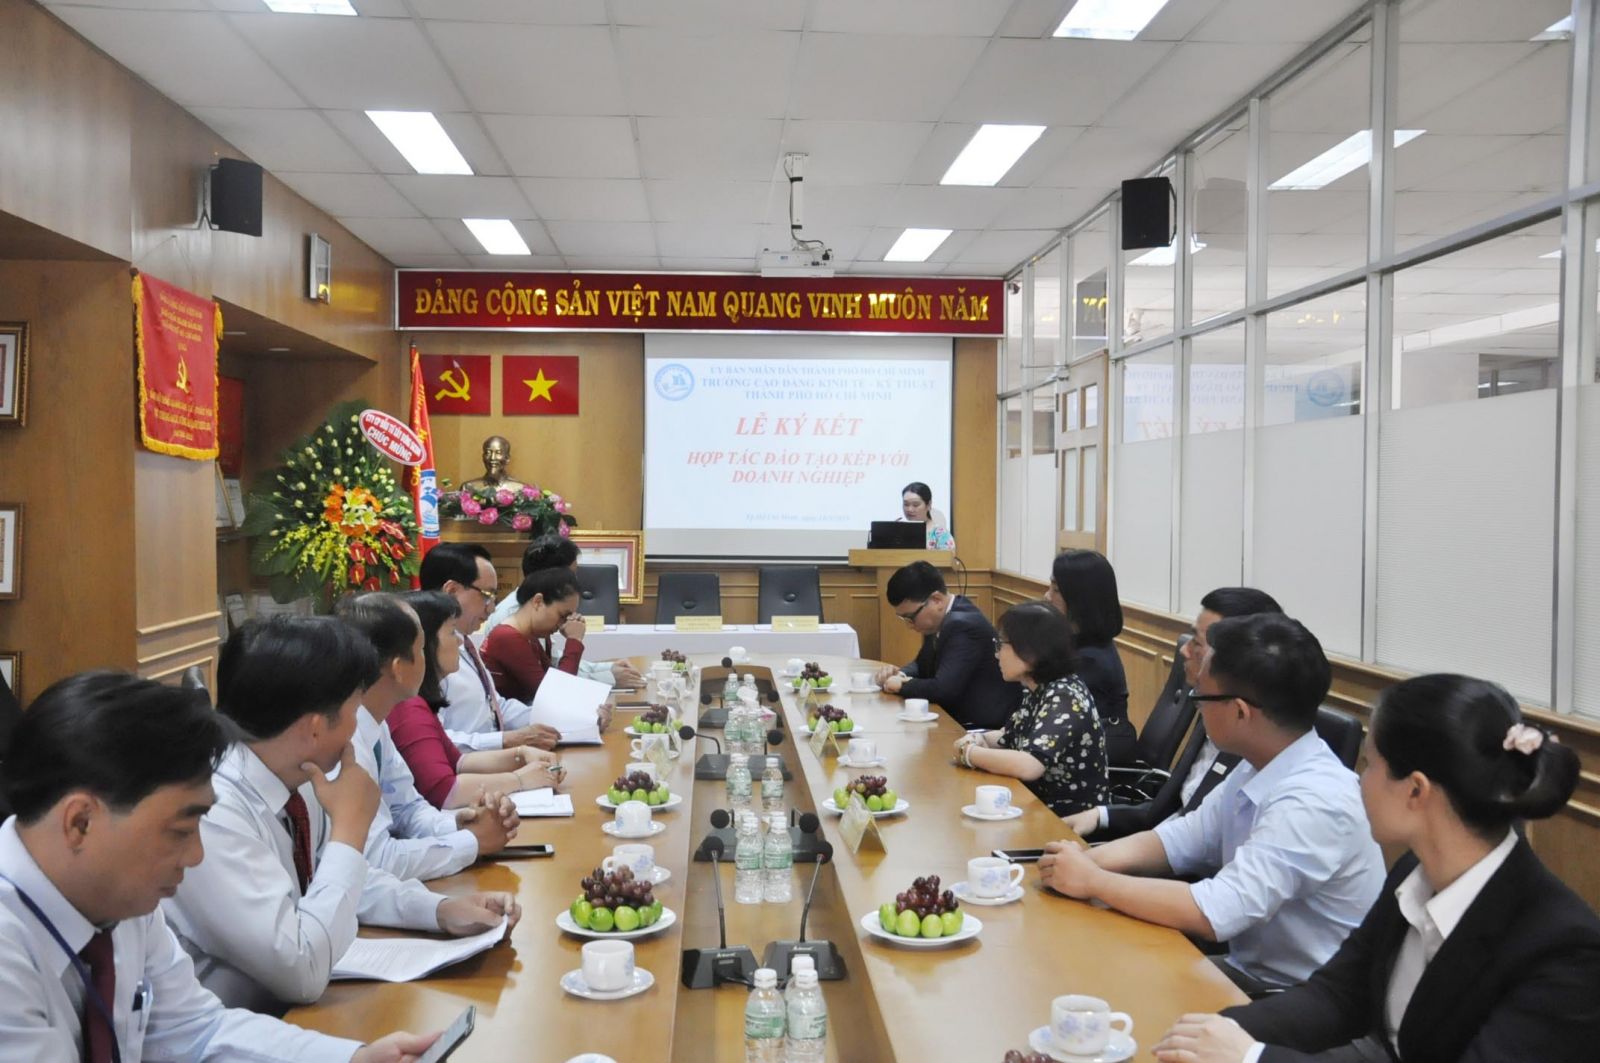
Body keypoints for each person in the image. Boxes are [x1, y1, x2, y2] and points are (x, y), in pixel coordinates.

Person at [1156, 674, 1600, 1063]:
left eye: (1370, 765)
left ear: (1416, 790)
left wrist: (1252, 1057)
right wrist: (1215, 1030)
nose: (1359, 782)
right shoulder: (1416, 870)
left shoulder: (1564, 948)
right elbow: (1338, 995)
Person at [0, 670, 441, 1061]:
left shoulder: (120, 905)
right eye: (178, 830)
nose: (195, 856)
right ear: (80, 822)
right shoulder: (9, 947)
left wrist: (353, 1058)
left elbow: (198, 1030)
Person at [163, 616, 520, 1013]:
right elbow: (300, 971)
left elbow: (341, 882)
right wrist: (350, 830)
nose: (357, 728)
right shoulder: (215, 814)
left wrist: (437, 910)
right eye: (354, 710)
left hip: (292, 1017)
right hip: (240, 1029)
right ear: (315, 728)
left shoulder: (298, 777)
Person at [1038, 613, 1384, 993]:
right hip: (1248, 970)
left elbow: (1214, 911)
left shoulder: (1315, 800)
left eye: (1200, 696)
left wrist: (1095, 881)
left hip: (1298, 997)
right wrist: (1080, 862)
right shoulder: (1259, 765)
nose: (1196, 710)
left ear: (1240, 711)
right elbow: (1180, 839)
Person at [1065, 588, 1283, 843]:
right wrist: (1099, 816)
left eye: (1198, 644)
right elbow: (1170, 813)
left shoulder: (1252, 745)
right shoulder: (1210, 710)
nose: (1184, 651)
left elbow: (1201, 847)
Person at [334, 593, 518, 880]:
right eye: (421, 649)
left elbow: (408, 808)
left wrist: (462, 824)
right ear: (398, 668)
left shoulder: (375, 720)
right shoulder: (344, 741)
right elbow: (375, 860)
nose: (427, 658)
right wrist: (473, 842)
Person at [389, 591, 567, 810]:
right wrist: (520, 780)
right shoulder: (407, 707)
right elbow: (444, 791)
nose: (459, 640)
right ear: (424, 645)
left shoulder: (420, 701)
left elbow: (459, 761)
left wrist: (521, 755)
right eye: (451, 632)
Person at [953, 601, 1108, 817]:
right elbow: (1010, 736)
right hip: (1034, 803)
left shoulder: (1065, 697)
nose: (996, 655)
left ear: (1030, 651)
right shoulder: (1038, 687)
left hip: (1067, 820)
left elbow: (1029, 765)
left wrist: (969, 753)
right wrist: (981, 739)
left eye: (1001, 645)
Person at [419, 542, 561, 752]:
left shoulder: (464, 641)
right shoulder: (424, 653)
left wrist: (564, 718)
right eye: (486, 595)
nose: (492, 608)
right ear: (451, 591)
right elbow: (433, 741)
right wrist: (507, 740)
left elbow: (496, 707)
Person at [477, 535, 642, 689]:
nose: (574, 582)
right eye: (570, 576)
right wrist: (575, 641)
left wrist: (607, 667)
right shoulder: (510, 622)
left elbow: (553, 665)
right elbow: (553, 690)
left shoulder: (533, 620)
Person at [873, 560, 1022, 730]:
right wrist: (899, 674)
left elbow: (944, 689)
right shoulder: (943, 618)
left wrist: (902, 685)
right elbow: (922, 664)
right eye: (903, 619)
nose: (909, 625)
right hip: (958, 717)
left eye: (911, 617)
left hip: (980, 725)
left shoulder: (963, 625)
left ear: (936, 600)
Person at [1045, 549, 1135, 765]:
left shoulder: (1089, 661)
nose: (1047, 596)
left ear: (1080, 599)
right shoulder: (1080, 644)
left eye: (1055, 590)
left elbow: (1051, 729)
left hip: (1084, 765)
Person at [480, 567, 587, 705]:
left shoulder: (529, 636)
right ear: (538, 601)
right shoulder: (507, 637)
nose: (563, 625)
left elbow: (555, 684)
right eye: (562, 616)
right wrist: (574, 641)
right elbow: (555, 696)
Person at [898, 481, 954, 550]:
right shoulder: (898, 531)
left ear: (928, 505)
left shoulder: (940, 534)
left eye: (916, 505)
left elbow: (947, 559)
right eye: (906, 504)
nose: (909, 509)